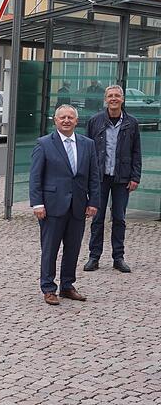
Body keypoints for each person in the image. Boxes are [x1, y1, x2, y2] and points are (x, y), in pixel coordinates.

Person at [29, 104, 100, 306]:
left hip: (78, 205)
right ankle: (49, 288)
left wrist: (93, 201)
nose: (66, 120)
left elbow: (94, 176)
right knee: (50, 249)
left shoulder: (88, 144)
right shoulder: (44, 144)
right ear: (55, 120)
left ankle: (67, 286)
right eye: (63, 118)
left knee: (73, 249)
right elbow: (35, 177)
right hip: (52, 206)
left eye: (70, 117)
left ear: (76, 121)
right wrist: (37, 204)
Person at [84, 85, 142, 274]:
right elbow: (88, 152)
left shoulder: (132, 123)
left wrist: (135, 176)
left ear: (123, 99)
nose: (114, 99)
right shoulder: (95, 121)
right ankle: (94, 256)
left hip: (122, 178)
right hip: (100, 178)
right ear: (105, 99)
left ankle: (118, 257)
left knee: (119, 218)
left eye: (117, 95)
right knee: (97, 218)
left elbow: (136, 152)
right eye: (110, 96)